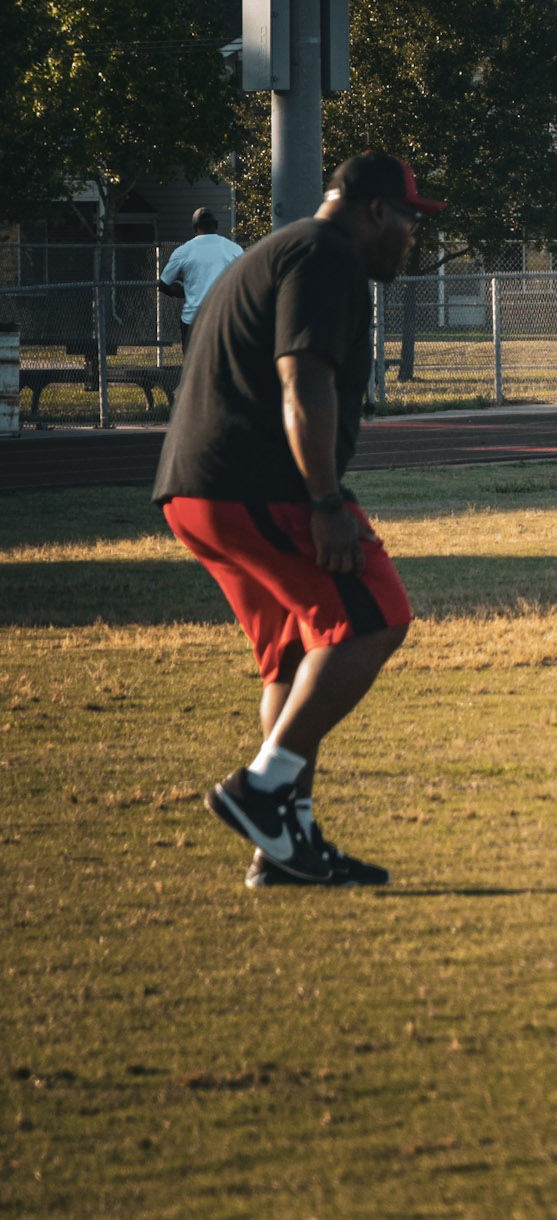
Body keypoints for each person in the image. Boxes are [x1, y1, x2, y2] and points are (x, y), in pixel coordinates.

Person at [153, 151, 444, 887]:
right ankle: (263, 784)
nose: (415, 237)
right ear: (375, 209)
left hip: (196, 488)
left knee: (293, 654)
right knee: (376, 617)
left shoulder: (282, 248)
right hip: (258, 482)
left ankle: (287, 845)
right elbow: (302, 378)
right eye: (410, 220)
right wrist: (325, 503)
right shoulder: (326, 254)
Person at [157, 208, 244, 350]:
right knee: (224, 368)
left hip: (193, 321)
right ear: (216, 225)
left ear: (195, 228)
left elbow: (163, 284)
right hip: (224, 319)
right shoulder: (233, 249)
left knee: (193, 369)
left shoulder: (184, 251)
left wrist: (183, 291)